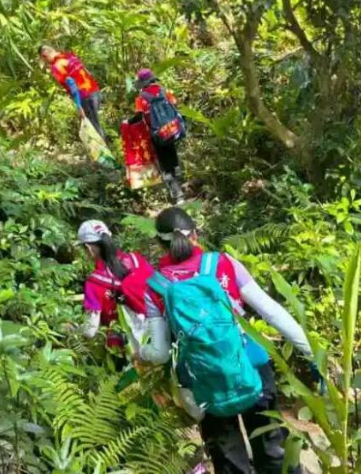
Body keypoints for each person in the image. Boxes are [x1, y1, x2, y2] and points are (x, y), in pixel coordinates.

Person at [139, 207, 319, 474]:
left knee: (229, 460)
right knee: (273, 449)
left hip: (204, 381)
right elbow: (272, 312)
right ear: (196, 235)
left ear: (159, 244)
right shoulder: (222, 264)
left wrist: (140, 353)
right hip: (252, 366)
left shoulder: (155, 286)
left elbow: (161, 353)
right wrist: (312, 354)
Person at [77, 220, 156, 355]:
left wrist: (73, 329)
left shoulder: (94, 283)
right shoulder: (136, 260)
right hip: (158, 335)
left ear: (89, 248)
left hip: (125, 350)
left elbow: (90, 331)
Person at [135, 69, 186, 204]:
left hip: (157, 134)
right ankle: (179, 179)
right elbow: (174, 103)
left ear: (142, 83)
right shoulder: (164, 91)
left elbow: (139, 117)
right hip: (172, 129)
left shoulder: (141, 99)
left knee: (164, 162)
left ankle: (177, 193)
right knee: (172, 154)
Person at [40, 45, 105, 139]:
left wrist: (79, 106)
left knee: (94, 128)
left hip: (85, 97)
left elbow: (72, 86)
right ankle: (110, 146)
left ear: (45, 55)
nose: (46, 63)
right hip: (94, 90)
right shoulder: (70, 56)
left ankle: (105, 152)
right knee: (96, 123)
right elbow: (87, 71)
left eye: (44, 60)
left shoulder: (57, 66)